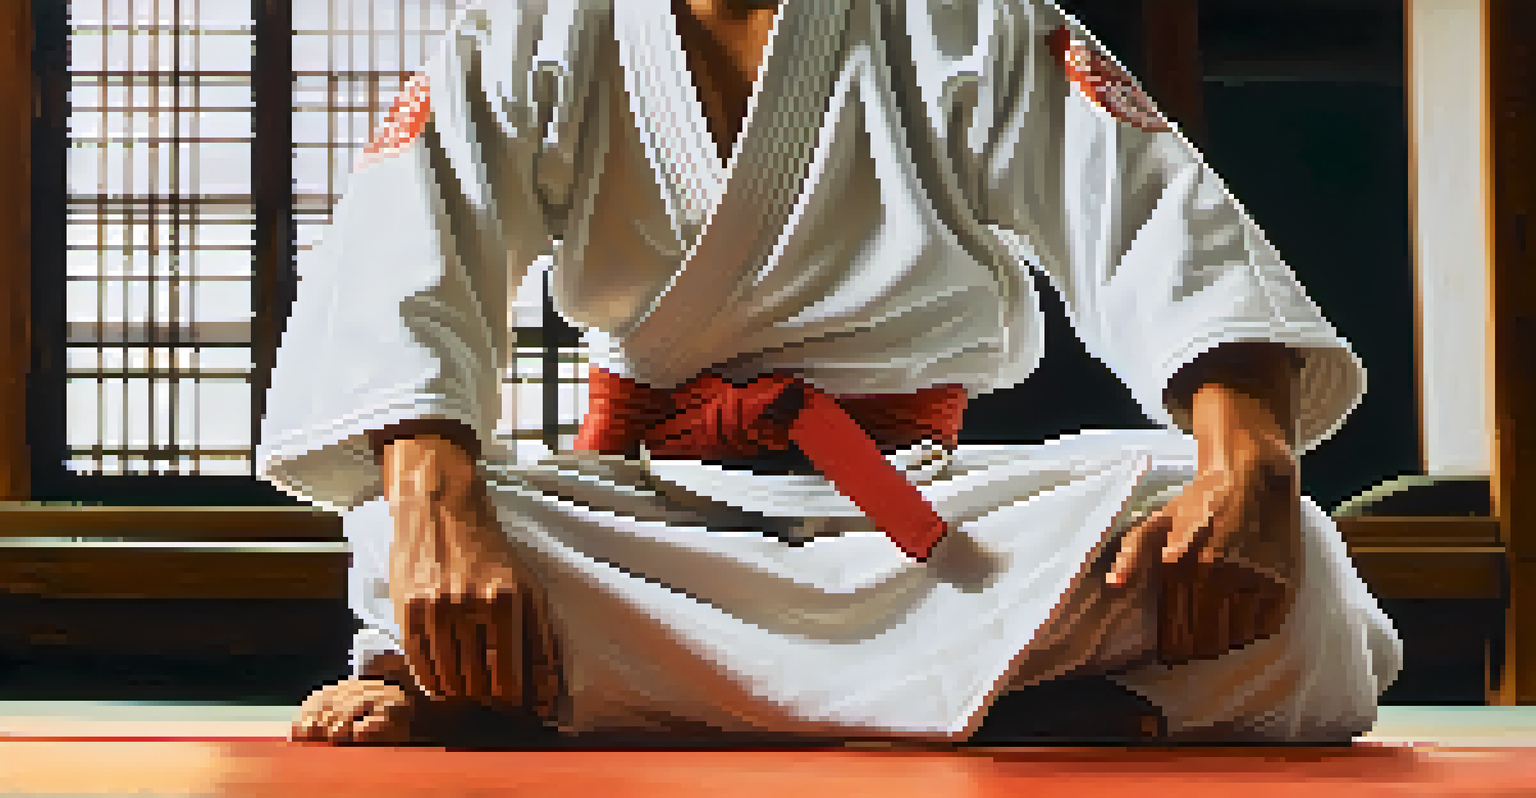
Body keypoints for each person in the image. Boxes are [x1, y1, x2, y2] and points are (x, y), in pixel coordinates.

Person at [261, 0, 1403, 746]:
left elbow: (1157, 223)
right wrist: (437, 499)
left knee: (1286, 553)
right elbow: (408, 258)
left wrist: (1249, 458)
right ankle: (1021, 706)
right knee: (402, 521)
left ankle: (543, 695)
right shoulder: (533, 31)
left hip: (922, 517)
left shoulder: (972, 21)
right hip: (652, 515)